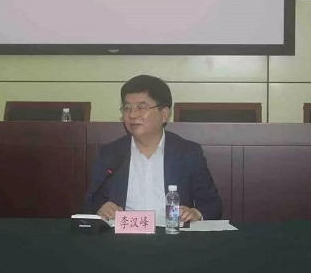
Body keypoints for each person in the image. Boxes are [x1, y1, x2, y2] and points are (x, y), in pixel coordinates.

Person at [86, 75, 222, 223]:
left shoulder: (188, 152)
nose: (132, 115)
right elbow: (92, 201)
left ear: (164, 114)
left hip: (172, 233)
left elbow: (212, 204)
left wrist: (195, 213)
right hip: (124, 234)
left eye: (141, 107)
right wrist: (101, 208)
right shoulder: (111, 153)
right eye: (127, 108)